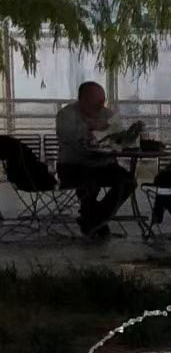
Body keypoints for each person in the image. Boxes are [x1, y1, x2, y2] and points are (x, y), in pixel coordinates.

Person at [54, 82, 141, 238]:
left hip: (103, 164)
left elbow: (121, 140)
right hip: (73, 165)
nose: (100, 107)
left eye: (102, 101)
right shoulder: (66, 115)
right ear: (82, 100)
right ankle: (96, 222)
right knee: (89, 184)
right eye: (96, 103)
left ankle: (94, 221)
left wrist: (127, 137)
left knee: (128, 182)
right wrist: (93, 131)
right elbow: (73, 142)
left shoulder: (108, 115)